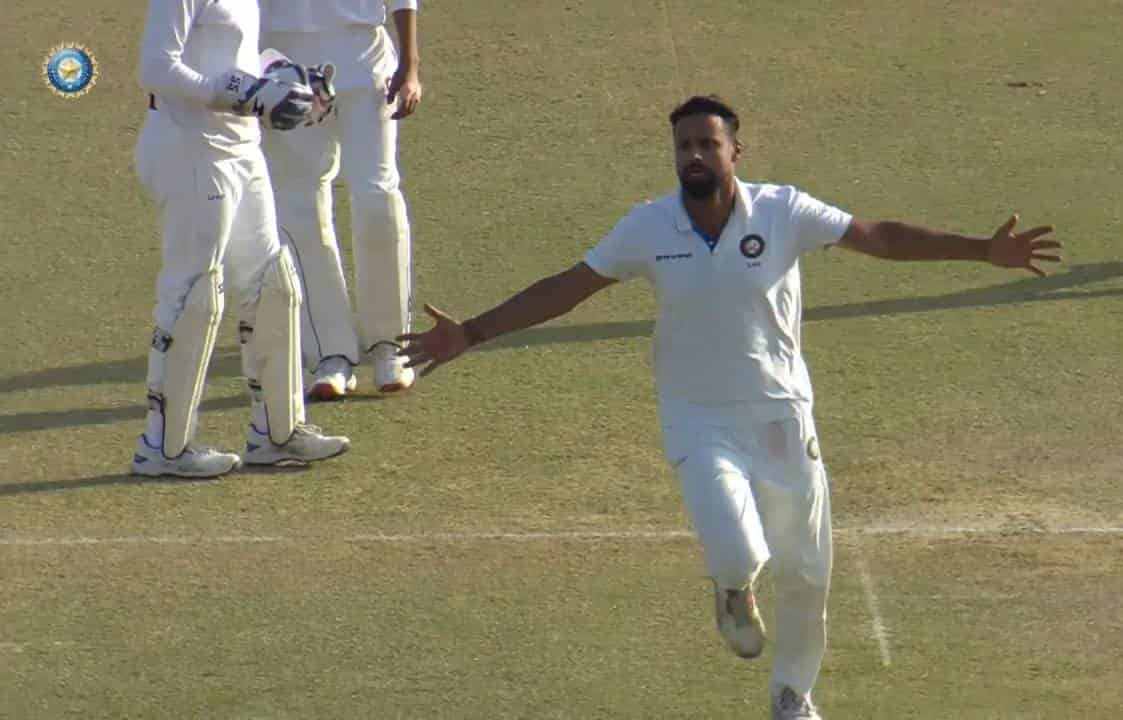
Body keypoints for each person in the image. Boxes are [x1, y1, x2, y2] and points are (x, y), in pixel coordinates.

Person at [396, 95, 1061, 719]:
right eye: (683, 145)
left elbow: (878, 236)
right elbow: (568, 288)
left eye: (707, 144)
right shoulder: (648, 225)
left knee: (806, 570)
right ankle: (733, 588)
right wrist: (472, 332)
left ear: (734, 152)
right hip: (698, 416)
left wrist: (981, 250)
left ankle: (793, 696)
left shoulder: (783, 211)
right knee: (740, 552)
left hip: (781, 414)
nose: (693, 155)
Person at [132, 0, 352, 478]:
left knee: (273, 285)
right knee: (193, 295)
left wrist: (285, 78)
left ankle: (277, 433)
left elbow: (234, 57)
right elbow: (156, 67)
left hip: (243, 148)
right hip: (191, 148)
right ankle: (162, 447)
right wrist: (245, 94)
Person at [259, 0, 422, 400]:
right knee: (301, 205)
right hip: (285, 67)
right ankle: (329, 353)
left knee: (377, 197)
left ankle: (390, 345)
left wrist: (410, 63)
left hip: (365, 60)